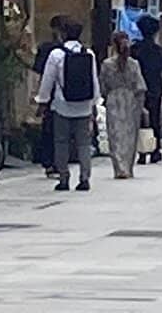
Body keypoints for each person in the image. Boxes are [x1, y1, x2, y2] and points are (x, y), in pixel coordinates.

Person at [34, 20, 100, 192]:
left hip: (62, 105)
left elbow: (48, 80)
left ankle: (64, 178)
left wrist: (42, 101)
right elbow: (94, 81)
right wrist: (94, 103)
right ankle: (84, 178)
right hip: (84, 106)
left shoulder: (56, 54)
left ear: (62, 34)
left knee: (61, 142)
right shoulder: (89, 54)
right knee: (84, 144)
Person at [99, 31, 147, 179]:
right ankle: (128, 166)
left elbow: (103, 86)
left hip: (114, 99)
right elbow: (140, 86)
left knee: (115, 134)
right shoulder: (134, 64)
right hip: (131, 99)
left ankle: (119, 167)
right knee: (130, 134)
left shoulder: (107, 64)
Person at [33, 15, 68, 177]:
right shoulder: (75, 50)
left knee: (49, 129)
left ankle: (50, 162)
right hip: (69, 94)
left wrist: (41, 98)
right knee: (64, 131)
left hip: (53, 94)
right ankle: (60, 163)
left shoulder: (46, 49)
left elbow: (41, 73)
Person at [132, 14, 162, 164]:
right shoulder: (160, 51)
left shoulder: (134, 49)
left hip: (137, 90)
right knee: (155, 120)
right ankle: (155, 150)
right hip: (155, 89)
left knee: (140, 120)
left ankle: (141, 151)